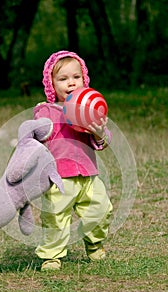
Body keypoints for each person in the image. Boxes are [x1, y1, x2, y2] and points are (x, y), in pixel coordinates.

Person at [33, 50, 113, 270]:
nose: (71, 83)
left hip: (88, 173)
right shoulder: (46, 111)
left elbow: (104, 139)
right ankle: (52, 255)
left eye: (76, 77)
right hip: (59, 177)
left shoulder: (89, 107)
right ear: (51, 84)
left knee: (101, 208)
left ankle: (94, 243)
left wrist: (98, 132)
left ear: (84, 80)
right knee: (56, 217)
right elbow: (35, 138)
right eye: (63, 79)